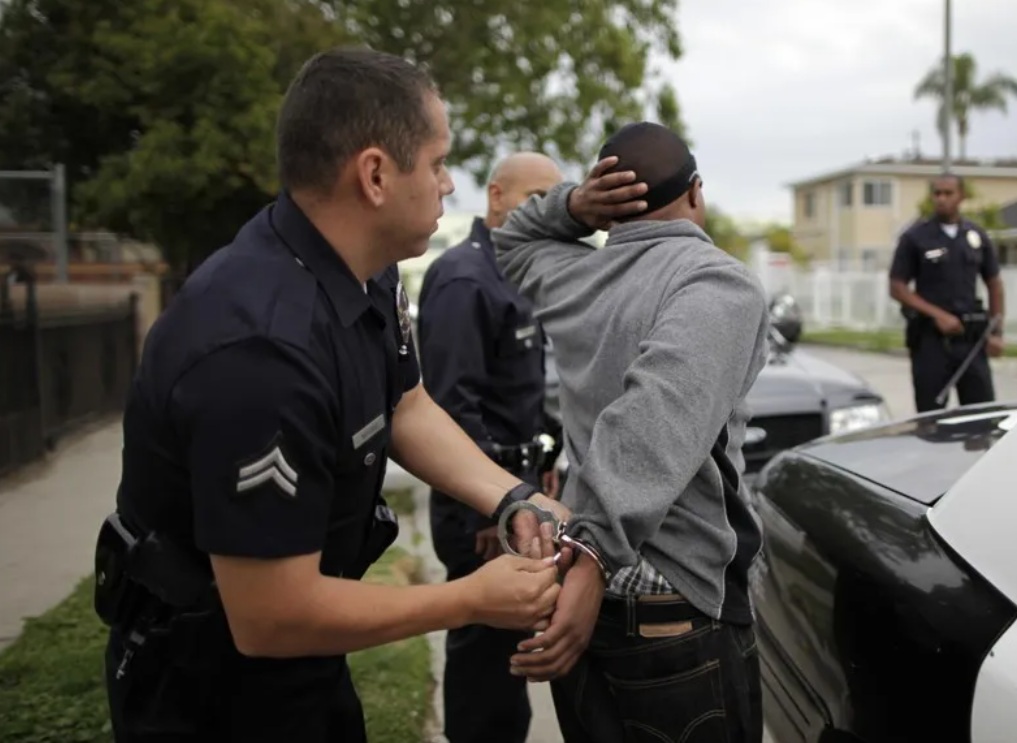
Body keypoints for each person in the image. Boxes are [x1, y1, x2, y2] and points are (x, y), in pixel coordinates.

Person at [93, 47, 566, 743]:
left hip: (304, 667)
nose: (448, 185)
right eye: (436, 163)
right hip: (209, 691)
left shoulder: (361, 269)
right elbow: (270, 616)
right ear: (374, 174)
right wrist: (466, 598)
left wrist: (511, 495)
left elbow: (406, 405)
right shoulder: (259, 350)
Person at [492, 122, 771, 743]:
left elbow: (512, 237)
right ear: (696, 194)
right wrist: (594, 555)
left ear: (609, 200)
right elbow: (652, 421)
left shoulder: (574, 276)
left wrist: (572, 206)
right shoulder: (716, 282)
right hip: (673, 604)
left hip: (579, 578)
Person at [415, 151, 565, 743]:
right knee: (485, 668)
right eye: (534, 199)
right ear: (496, 196)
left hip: (511, 493)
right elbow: (453, 406)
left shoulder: (516, 270)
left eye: (554, 200)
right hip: (481, 505)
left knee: (509, 659)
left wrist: (541, 467)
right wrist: (490, 505)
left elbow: (523, 391)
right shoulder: (464, 278)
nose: (546, 212)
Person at [889, 173, 1005, 413]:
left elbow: (994, 283)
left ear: (961, 196)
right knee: (931, 418)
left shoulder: (976, 236)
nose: (942, 199)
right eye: (937, 193)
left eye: (948, 193)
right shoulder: (915, 237)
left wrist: (996, 332)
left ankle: (978, 451)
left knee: (980, 417)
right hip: (931, 341)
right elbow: (897, 287)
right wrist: (937, 315)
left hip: (970, 340)